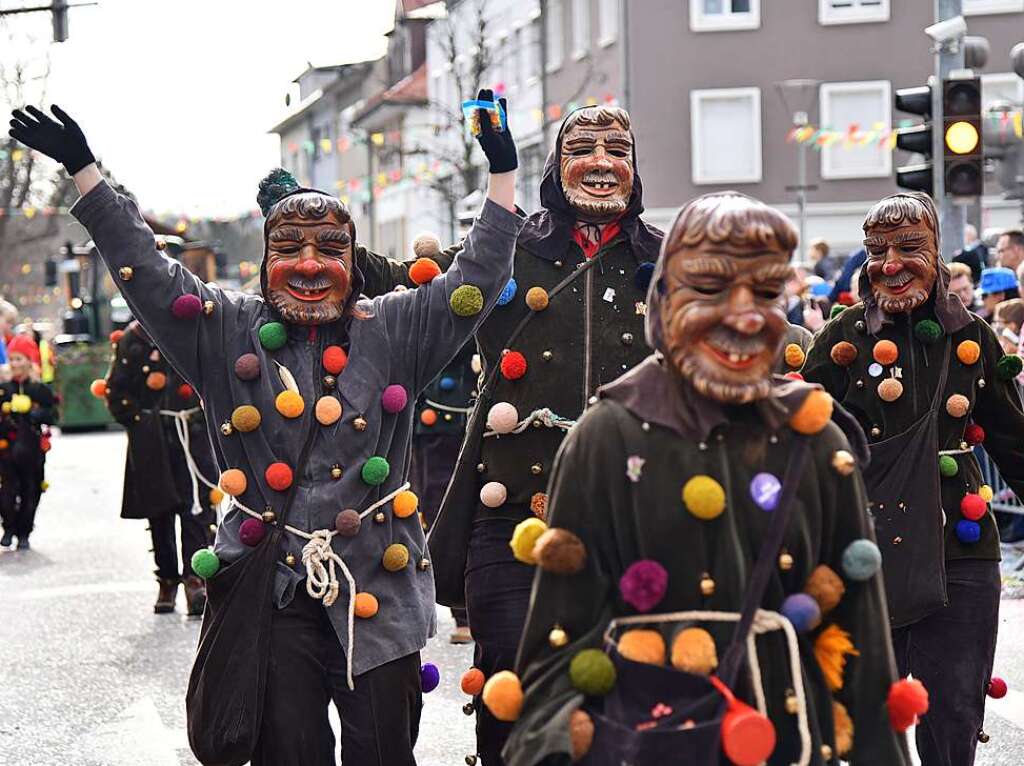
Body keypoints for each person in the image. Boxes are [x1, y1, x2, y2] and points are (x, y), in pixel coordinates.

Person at [9, 94, 522, 766]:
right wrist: (86, 173)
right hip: (270, 589)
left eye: (330, 247)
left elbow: (476, 281)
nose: (309, 264)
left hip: (382, 587)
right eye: (289, 248)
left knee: (384, 753)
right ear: (264, 257)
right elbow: (149, 276)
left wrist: (503, 176)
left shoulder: (395, 329)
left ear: (355, 258)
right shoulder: (226, 328)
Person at [500, 192, 911, 766]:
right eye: (712, 290)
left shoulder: (816, 440)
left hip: (788, 741)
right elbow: (561, 640)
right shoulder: (608, 437)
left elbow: (861, 640)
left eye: (766, 293)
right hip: (651, 744)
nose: (745, 315)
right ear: (665, 301)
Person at [428, 104, 663, 766]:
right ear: (557, 166)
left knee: (629, 700)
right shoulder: (506, 251)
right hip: (511, 520)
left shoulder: (670, 259)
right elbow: (414, 299)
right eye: (579, 148)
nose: (598, 162)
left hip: (638, 518)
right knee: (511, 690)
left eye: (615, 148)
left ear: (634, 166)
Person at [802, 191, 1024, 766]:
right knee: (865, 715)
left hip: (961, 545)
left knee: (953, 708)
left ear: (937, 252)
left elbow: (1013, 440)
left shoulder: (973, 336)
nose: (891, 264)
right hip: (863, 548)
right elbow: (799, 436)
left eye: (909, 248)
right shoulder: (842, 336)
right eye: (877, 251)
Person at [101, 319, 219, 615]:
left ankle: (195, 579)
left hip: (192, 434)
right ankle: (166, 579)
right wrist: (142, 422)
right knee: (159, 509)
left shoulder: (193, 329)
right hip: (152, 438)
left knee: (197, 508)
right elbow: (115, 391)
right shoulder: (133, 338)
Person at [0, 334, 56, 550]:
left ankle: (24, 531)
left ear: (28, 361)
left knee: (30, 489)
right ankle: (10, 526)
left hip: (32, 449)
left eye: (19, 359)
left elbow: (52, 415)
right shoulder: (5, 389)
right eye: (12, 359)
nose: (15, 364)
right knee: (6, 491)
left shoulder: (39, 390)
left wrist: (35, 414)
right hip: (6, 448)